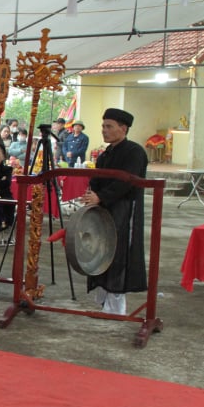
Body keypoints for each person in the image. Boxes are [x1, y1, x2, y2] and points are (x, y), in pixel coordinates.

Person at [80, 108, 148, 315]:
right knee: (100, 250)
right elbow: (97, 179)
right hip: (104, 209)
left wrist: (102, 197)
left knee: (119, 253)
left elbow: (126, 182)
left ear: (123, 128)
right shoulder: (105, 154)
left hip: (124, 210)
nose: (104, 130)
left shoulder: (135, 152)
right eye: (103, 126)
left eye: (109, 126)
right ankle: (103, 298)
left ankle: (116, 306)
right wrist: (92, 194)